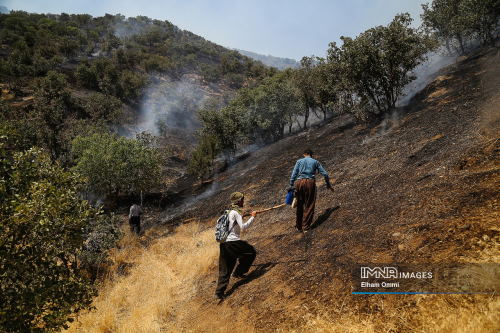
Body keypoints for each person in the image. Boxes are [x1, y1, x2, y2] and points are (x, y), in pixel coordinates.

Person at [215, 192, 257, 300]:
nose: (243, 201)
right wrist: (253, 217)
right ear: (238, 201)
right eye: (242, 200)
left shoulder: (227, 212)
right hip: (233, 242)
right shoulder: (236, 212)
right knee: (251, 252)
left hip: (224, 244)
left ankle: (219, 292)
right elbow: (243, 227)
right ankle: (239, 272)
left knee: (225, 268)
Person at [289, 148, 332, 233]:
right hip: (310, 182)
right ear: (311, 155)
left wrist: (291, 184)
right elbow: (325, 174)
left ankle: (298, 227)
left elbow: (294, 174)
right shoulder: (315, 162)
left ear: (304, 154)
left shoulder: (299, 161)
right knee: (309, 204)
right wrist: (328, 184)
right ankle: (306, 227)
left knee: (300, 204)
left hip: (299, 182)